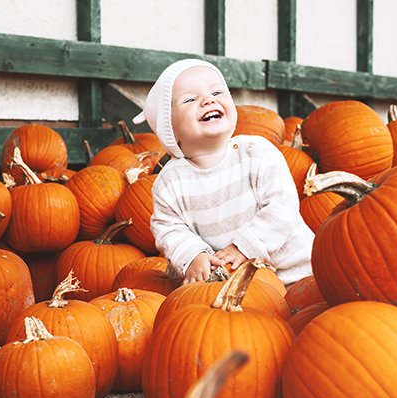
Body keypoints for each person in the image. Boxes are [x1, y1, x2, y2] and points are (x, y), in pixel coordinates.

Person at [132, 58, 314, 286]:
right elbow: (169, 228)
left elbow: (281, 205)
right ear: (170, 129)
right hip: (238, 286)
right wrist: (193, 255)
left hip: (299, 274)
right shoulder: (170, 182)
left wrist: (244, 247)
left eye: (217, 92)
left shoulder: (256, 152)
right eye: (190, 99)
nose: (208, 100)